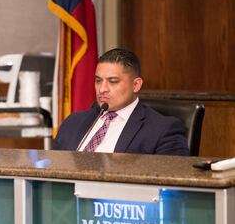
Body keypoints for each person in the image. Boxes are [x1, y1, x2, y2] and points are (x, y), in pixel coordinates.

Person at [52, 48, 189, 155]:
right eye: (98, 80)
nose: (102, 89)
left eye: (113, 81)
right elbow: (52, 170)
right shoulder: (73, 122)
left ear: (136, 85)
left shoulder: (163, 129)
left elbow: (172, 184)